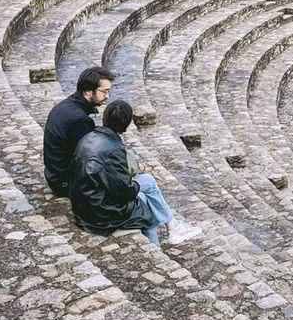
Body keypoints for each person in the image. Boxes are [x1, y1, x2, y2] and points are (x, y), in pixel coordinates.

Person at [69, 100, 202, 244]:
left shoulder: (88, 137)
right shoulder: (113, 148)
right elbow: (124, 191)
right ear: (126, 123)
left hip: (83, 206)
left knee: (148, 182)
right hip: (99, 214)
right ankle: (161, 243)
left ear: (105, 117)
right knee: (148, 212)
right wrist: (136, 186)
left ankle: (173, 227)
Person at [43, 66, 114, 197]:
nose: (107, 96)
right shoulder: (80, 120)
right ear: (88, 91)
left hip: (54, 174)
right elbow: (89, 159)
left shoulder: (67, 105)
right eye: (104, 92)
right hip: (64, 182)